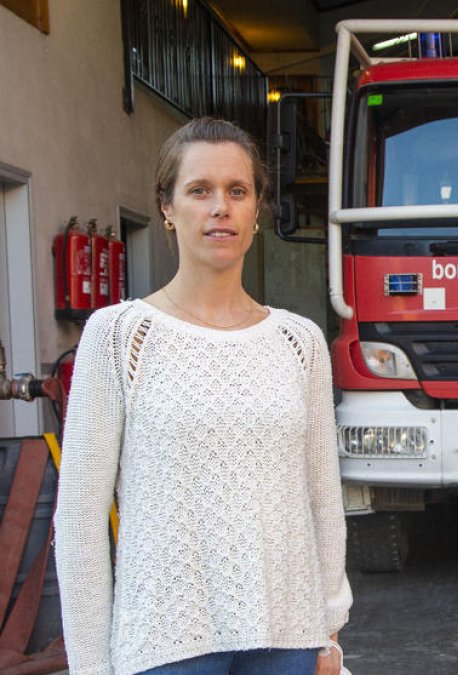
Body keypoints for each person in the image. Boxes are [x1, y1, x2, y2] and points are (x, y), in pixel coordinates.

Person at [54, 118, 352, 675]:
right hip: (165, 645)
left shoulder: (299, 341)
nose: (220, 208)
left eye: (237, 191)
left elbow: (322, 498)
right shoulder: (119, 337)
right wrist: (90, 666)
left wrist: (330, 630)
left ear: (257, 209)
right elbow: (80, 516)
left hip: (288, 639)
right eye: (199, 190)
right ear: (167, 207)